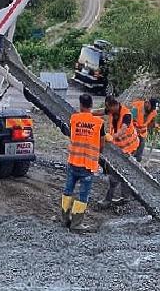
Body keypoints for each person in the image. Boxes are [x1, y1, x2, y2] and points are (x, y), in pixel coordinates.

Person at [61, 93, 105, 233]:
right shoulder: (99, 123)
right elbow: (102, 144)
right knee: (83, 195)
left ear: (80, 105)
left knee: (68, 191)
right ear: (91, 105)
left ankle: (65, 220)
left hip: (73, 162)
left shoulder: (74, 119)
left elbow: (71, 134)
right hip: (87, 164)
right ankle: (76, 224)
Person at [92, 95, 139, 209]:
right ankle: (125, 198)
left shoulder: (126, 114)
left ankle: (108, 200)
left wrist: (112, 137)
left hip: (130, 148)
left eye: (109, 107)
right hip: (120, 148)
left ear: (115, 105)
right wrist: (87, 113)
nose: (108, 110)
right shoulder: (112, 109)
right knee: (124, 173)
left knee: (116, 175)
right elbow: (99, 112)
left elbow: (123, 130)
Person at [130, 98, 159, 162]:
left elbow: (151, 123)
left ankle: (138, 162)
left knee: (140, 149)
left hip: (142, 133)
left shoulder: (153, 111)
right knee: (132, 148)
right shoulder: (136, 108)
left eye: (153, 109)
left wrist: (156, 126)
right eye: (151, 108)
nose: (152, 110)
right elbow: (129, 121)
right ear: (147, 103)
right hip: (132, 132)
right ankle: (130, 160)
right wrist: (135, 130)